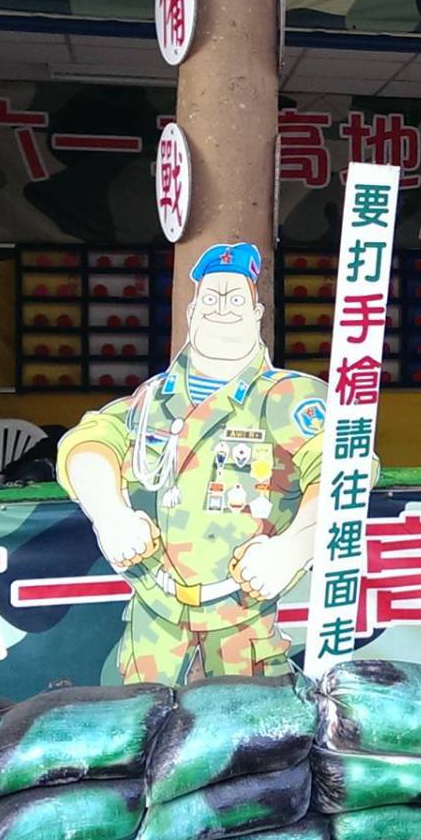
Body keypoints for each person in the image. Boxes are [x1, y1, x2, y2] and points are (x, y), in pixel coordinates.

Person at [58, 242, 327, 682]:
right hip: (155, 612)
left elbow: (339, 467)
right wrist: (110, 515)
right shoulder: (153, 399)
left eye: (235, 299)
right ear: (191, 312)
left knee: (249, 720)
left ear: (257, 314)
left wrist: (295, 546)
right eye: (211, 299)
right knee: (141, 715)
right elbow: (87, 443)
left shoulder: (286, 397)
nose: (222, 311)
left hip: (243, 615)